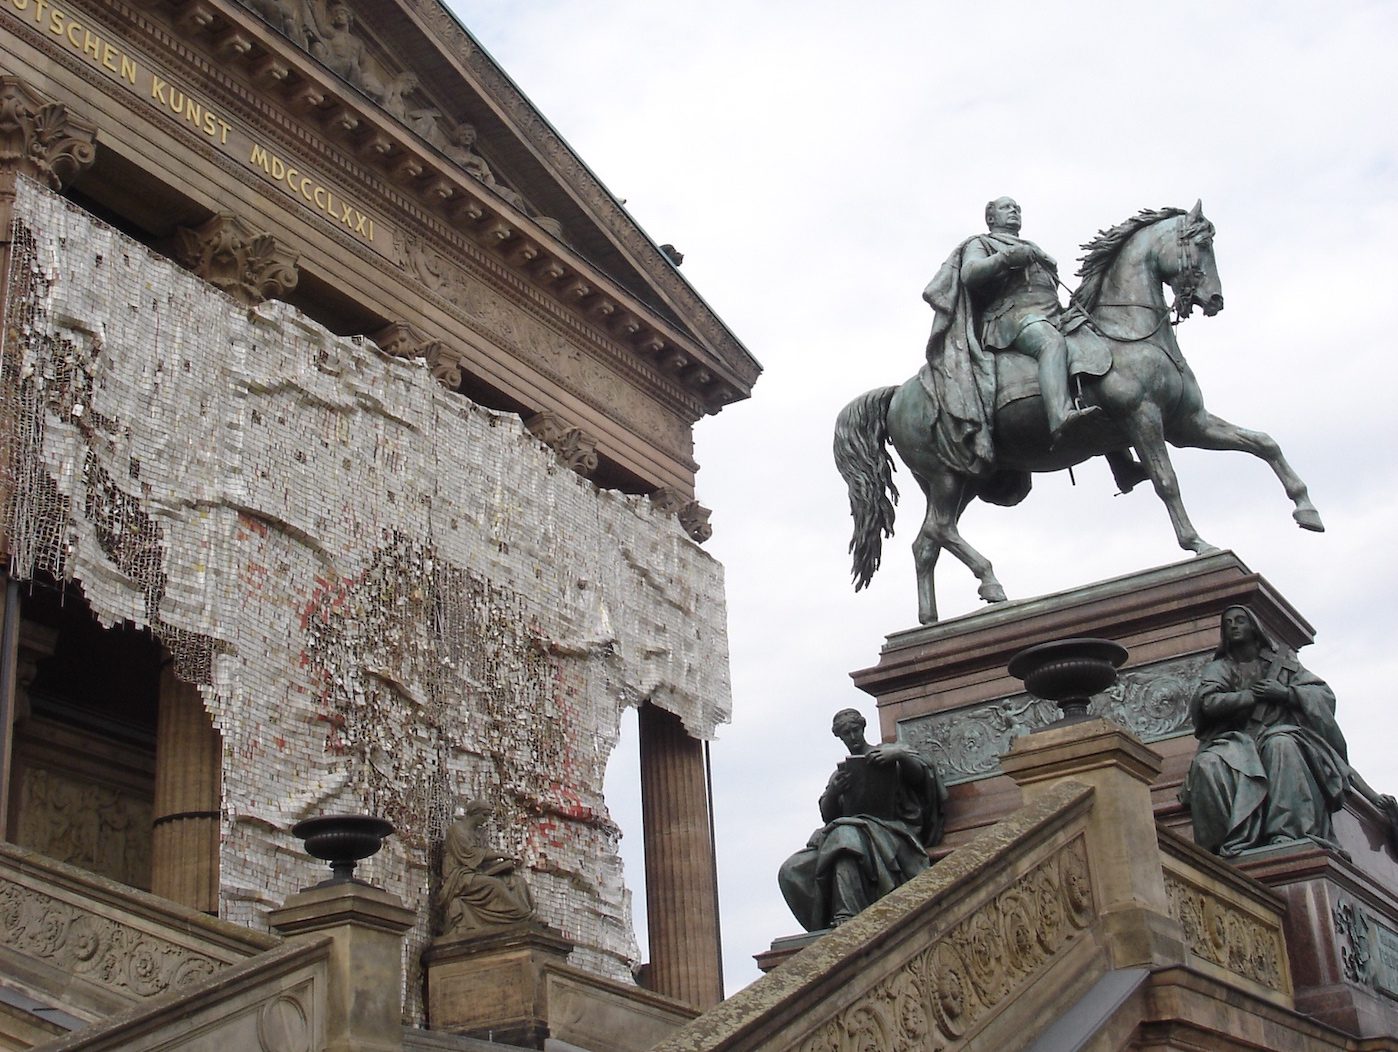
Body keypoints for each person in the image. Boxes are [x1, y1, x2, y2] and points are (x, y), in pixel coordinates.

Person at [1182, 606, 1397, 856]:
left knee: (1281, 744)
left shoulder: (1282, 664)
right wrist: (1248, 696)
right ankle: (1222, 847)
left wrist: (1285, 693)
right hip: (1237, 742)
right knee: (1207, 763)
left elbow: (1322, 695)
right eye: (1228, 622)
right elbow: (1207, 702)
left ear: (1254, 627)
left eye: (1240, 620)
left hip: (1280, 732)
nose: (1233, 626)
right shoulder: (1221, 668)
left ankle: (1286, 832)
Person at [778, 709, 945, 930]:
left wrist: (899, 756)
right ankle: (820, 925)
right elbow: (829, 816)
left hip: (891, 832)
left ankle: (847, 914)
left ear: (863, 727)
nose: (853, 737)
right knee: (791, 869)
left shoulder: (887, 755)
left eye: (856, 730)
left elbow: (922, 781)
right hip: (851, 835)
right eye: (846, 733)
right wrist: (834, 792)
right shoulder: (843, 772)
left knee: (845, 836)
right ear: (839, 736)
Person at [437, 799, 535, 935]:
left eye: (488, 816)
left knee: (517, 881)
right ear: (474, 813)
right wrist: (501, 855)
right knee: (494, 885)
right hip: (460, 876)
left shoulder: (479, 833)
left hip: (477, 872)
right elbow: (470, 854)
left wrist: (502, 866)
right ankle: (523, 916)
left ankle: (525, 915)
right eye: (484, 815)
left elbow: (482, 860)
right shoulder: (457, 830)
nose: (486, 819)